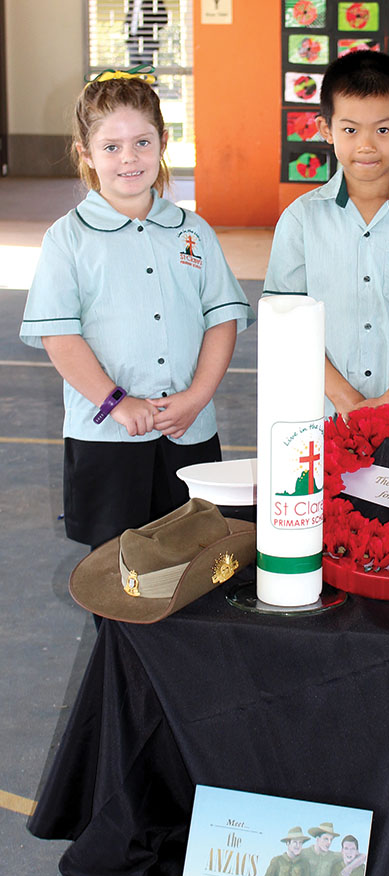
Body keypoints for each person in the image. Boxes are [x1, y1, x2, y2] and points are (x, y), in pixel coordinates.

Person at [20, 69, 253, 550]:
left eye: (142, 142)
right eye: (111, 147)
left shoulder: (194, 232)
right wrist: (116, 402)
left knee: (195, 560)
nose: (129, 158)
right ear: (85, 153)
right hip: (105, 438)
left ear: (163, 142)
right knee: (114, 570)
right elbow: (60, 338)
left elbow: (223, 318)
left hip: (188, 431)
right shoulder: (68, 239)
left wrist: (196, 398)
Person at [264, 50, 389, 419]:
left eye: (383, 129)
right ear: (326, 129)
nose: (366, 145)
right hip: (317, 413)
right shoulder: (300, 220)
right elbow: (289, 320)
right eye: (350, 129)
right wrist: (346, 400)